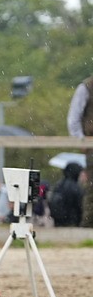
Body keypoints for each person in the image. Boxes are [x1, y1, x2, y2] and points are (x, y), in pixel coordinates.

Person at [66, 76, 93, 227]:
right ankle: (88, 227)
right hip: (91, 144)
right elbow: (73, 118)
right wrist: (80, 140)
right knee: (92, 190)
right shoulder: (87, 87)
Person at [49, 161, 84, 227]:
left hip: (58, 220)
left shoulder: (59, 184)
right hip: (71, 220)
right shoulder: (75, 187)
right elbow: (79, 206)